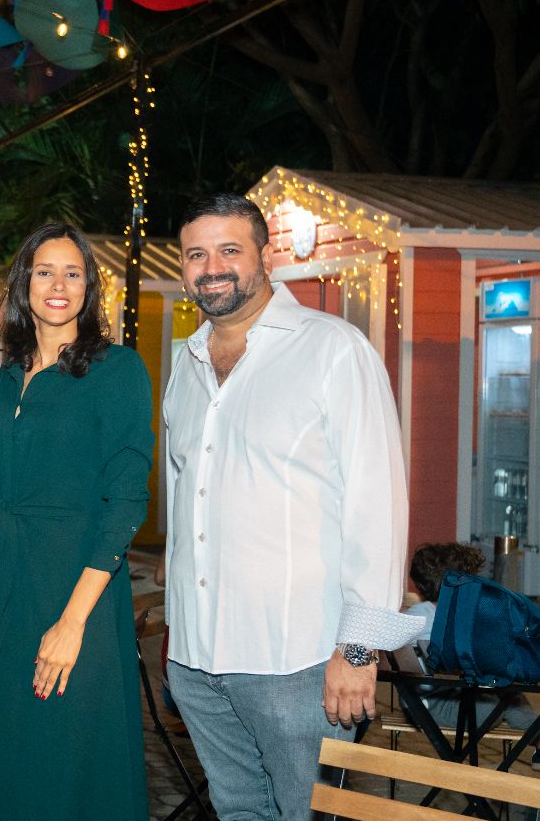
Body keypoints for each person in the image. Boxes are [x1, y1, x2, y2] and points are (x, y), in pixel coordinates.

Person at [163, 192, 423, 821]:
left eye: (229, 250)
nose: (211, 268)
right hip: (196, 660)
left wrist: (358, 652)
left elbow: (378, 507)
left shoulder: (334, 350)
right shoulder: (185, 365)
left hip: (299, 661)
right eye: (196, 254)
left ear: (266, 257)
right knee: (238, 812)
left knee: (306, 814)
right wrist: (176, 639)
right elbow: (184, 504)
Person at [0, 223, 153, 820]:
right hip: (6, 587)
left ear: (90, 288)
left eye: (74, 273)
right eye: (45, 272)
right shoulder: (8, 375)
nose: (59, 285)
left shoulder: (117, 370)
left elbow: (126, 501)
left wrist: (72, 623)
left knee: (65, 759)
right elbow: (0, 496)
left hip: (78, 589)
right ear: (24, 283)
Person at [407, 543, 538, 734]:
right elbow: (446, 663)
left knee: (505, 686)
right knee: (498, 697)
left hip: (447, 691)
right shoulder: (425, 617)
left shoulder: (436, 613)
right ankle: (535, 735)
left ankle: (536, 736)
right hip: (431, 703)